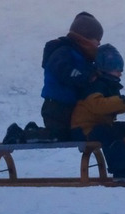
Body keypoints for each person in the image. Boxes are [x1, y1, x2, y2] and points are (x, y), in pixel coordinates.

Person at [70, 44, 125, 183]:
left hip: (98, 125)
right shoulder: (95, 85)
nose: (120, 73)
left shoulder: (109, 85)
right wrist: (122, 100)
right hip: (83, 128)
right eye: (116, 69)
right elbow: (98, 105)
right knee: (110, 134)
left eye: (120, 69)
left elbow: (112, 106)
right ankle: (120, 171)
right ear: (105, 69)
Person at [40, 12, 103, 140]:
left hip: (71, 106)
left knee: (77, 133)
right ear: (86, 38)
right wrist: (86, 77)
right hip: (56, 107)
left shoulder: (82, 56)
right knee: (59, 135)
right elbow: (63, 70)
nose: (98, 44)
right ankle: (27, 135)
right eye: (97, 40)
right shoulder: (63, 52)